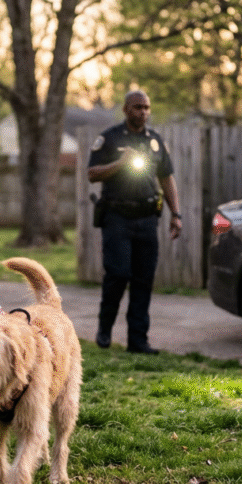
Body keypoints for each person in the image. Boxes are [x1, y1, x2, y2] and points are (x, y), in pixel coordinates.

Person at [88, 90, 182, 354]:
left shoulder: (155, 141)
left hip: (147, 218)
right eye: (138, 107)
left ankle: (138, 341)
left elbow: (167, 178)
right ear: (126, 109)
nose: (143, 112)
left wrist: (176, 214)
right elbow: (92, 174)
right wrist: (120, 163)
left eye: (147, 107)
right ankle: (104, 328)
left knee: (143, 280)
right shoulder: (109, 138)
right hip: (117, 217)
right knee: (118, 275)